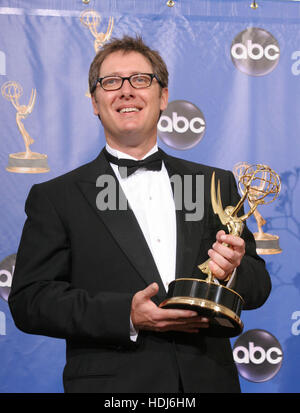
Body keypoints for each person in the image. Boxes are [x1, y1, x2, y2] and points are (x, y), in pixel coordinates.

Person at [8, 35, 271, 393]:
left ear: (163, 97)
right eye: (111, 81)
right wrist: (125, 315)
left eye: (140, 79)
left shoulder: (213, 183)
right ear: (95, 103)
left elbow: (258, 286)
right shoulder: (58, 197)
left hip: (208, 382)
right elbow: (30, 301)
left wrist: (234, 270)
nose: (126, 91)